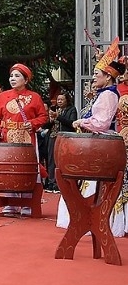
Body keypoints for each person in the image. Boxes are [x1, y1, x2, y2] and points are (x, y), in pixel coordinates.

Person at [57, 47, 127, 236]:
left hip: (101, 143)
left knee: (94, 181)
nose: (93, 77)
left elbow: (102, 123)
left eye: (97, 73)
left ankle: (92, 219)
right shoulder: (104, 94)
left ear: (108, 76)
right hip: (97, 143)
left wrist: (81, 122)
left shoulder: (109, 95)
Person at [0, 63, 48, 215]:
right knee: (9, 168)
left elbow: (43, 116)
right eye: (11, 76)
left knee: (27, 168)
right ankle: (11, 202)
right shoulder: (3, 96)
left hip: (27, 137)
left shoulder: (34, 97)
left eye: (17, 76)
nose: (13, 79)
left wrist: (33, 123)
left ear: (26, 80)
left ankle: (28, 203)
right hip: (8, 138)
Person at [44, 92, 78, 191]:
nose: (59, 101)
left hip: (64, 138)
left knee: (62, 160)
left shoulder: (71, 109)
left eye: (61, 99)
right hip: (53, 137)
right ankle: (51, 182)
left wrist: (58, 117)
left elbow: (71, 123)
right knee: (51, 160)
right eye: (58, 99)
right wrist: (51, 120)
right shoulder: (54, 109)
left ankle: (62, 183)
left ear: (67, 100)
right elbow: (45, 125)